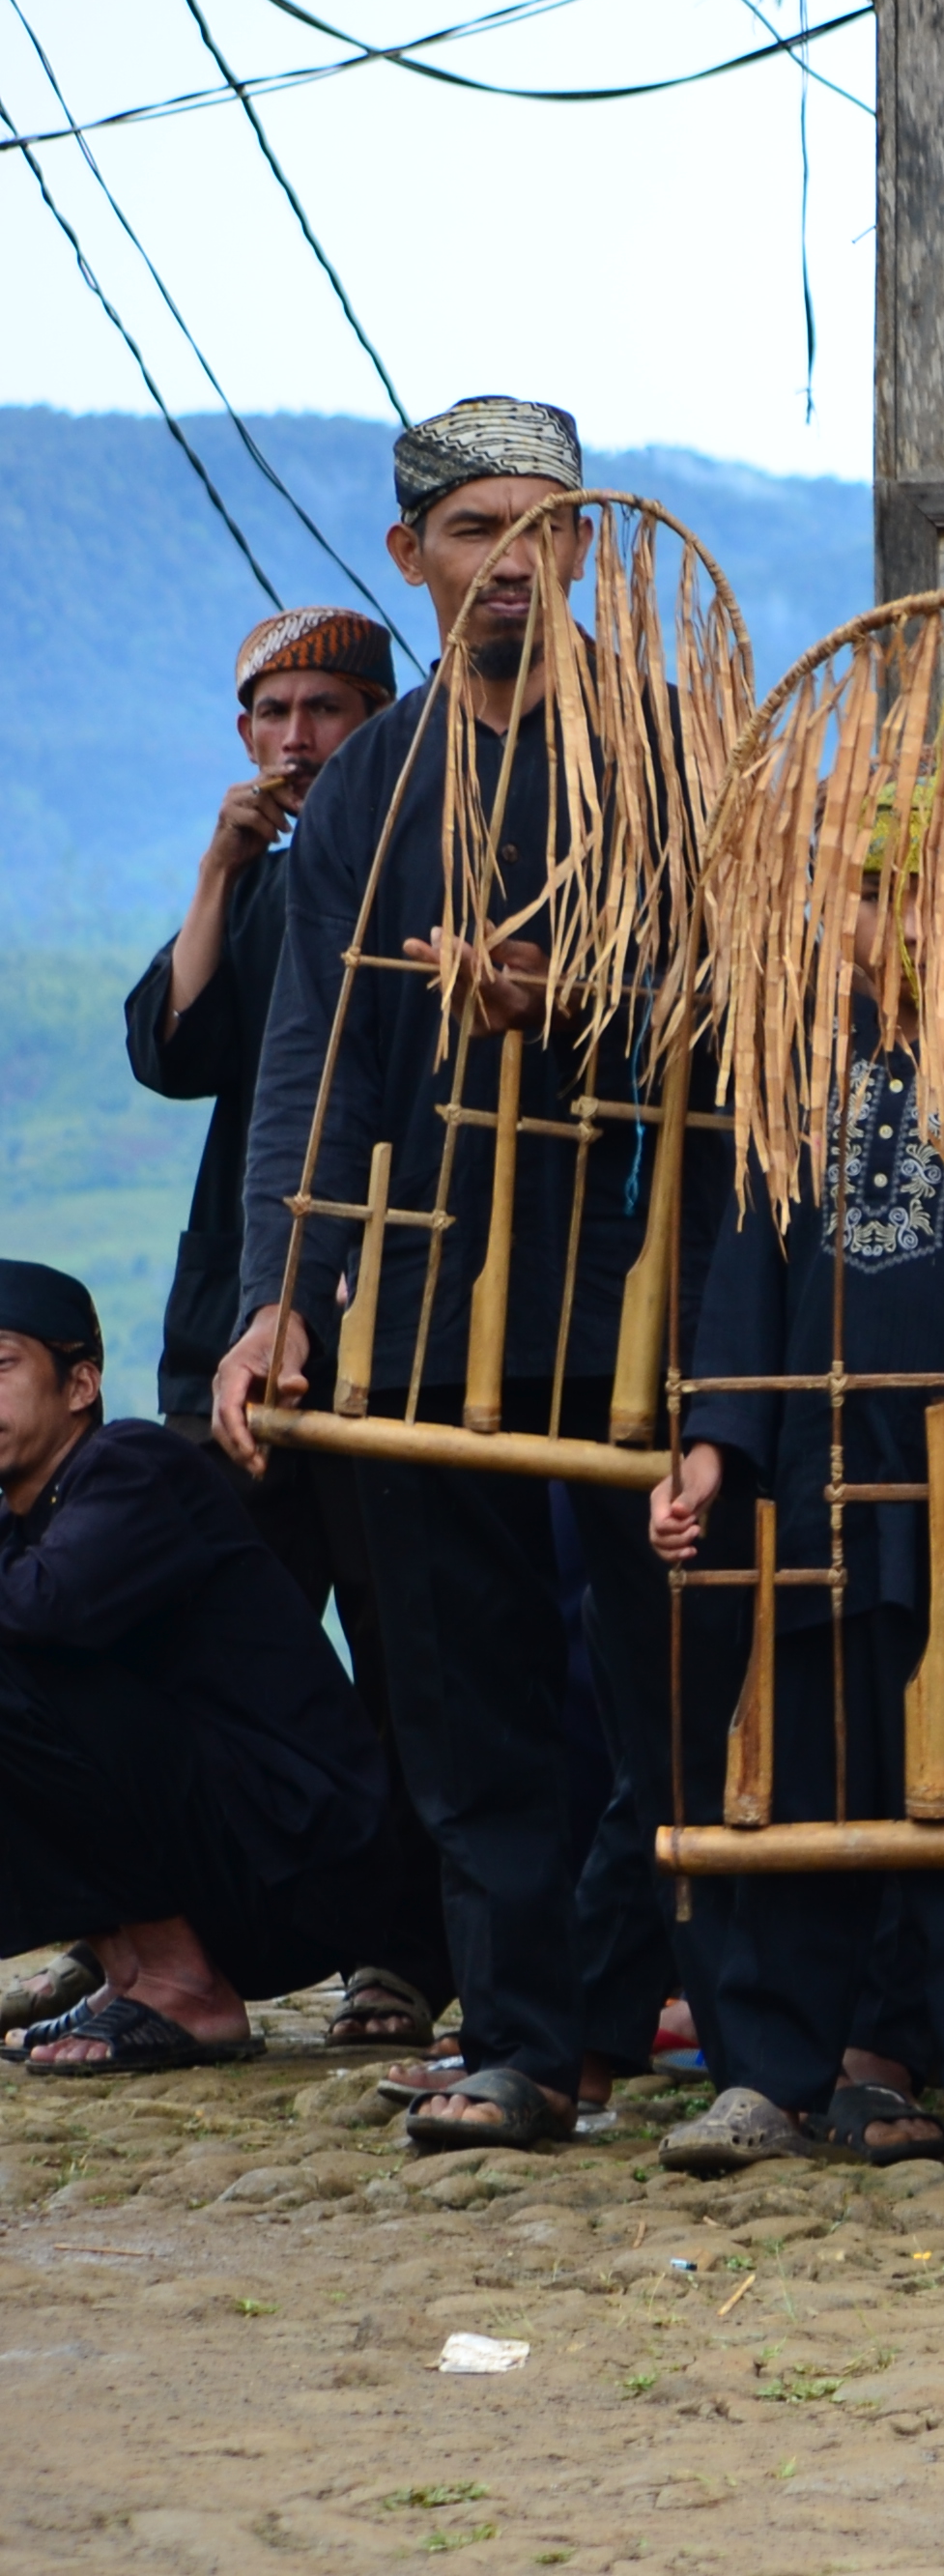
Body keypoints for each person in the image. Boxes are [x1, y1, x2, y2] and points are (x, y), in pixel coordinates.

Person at [215, 396, 703, 2151]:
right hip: (420, 1294)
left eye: (542, 527)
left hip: (635, 1284)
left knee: (670, 1677)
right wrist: (282, 1292)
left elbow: (743, 1006)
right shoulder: (372, 779)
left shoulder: (664, 751)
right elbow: (313, 1055)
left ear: (582, 546)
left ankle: (626, 2002)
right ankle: (518, 2041)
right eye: (474, 528)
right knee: (459, 1685)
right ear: (410, 552)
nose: (510, 561)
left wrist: (572, 997)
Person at [647, 786, 944, 2178]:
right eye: (867, 895)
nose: (891, 927)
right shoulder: (791, 1074)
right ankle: (768, 2077)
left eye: (928, 901)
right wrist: (711, 1449)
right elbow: (744, 1283)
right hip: (815, 1482)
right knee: (800, 1774)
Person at [112, 604, 436, 2057]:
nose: (297, 739)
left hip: (397, 1320)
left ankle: (403, 1953)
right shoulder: (260, 889)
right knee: (212, 1647)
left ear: (382, 724)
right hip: (235, 1322)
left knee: (410, 1651)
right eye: (272, 713)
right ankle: (179, 1939)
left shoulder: (416, 873)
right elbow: (173, 1051)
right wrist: (218, 868)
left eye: (327, 710)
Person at [0, 1264, 442, 2074]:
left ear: (81, 1385)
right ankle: (133, 1974)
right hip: (236, 1864)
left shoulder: (133, 1465)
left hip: (306, 1861)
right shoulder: (23, 1517)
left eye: (1, 1365)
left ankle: (185, 1985)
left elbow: (44, 1610)